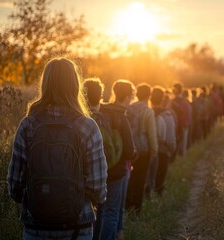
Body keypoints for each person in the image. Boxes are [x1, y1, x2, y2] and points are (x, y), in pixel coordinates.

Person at [8, 57, 107, 240]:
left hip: (36, 225)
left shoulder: (28, 125)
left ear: (44, 84)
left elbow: (14, 185)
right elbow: (98, 187)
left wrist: (41, 199)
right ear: (75, 85)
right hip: (78, 226)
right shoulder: (88, 126)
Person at [83, 79, 135, 240]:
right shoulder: (120, 116)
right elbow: (129, 150)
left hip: (93, 172)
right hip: (116, 172)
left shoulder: (84, 119)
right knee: (112, 211)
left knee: (97, 211)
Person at [126, 83, 158, 213]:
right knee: (140, 181)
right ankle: (136, 210)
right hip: (143, 151)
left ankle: (126, 207)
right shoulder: (148, 111)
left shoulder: (129, 108)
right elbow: (152, 134)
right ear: (149, 96)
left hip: (129, 150)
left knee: (130, 180)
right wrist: (153, 151)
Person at [151, 87, 177, 195]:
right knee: (160, 177)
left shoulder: (147, 113)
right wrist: (171, 148)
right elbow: (171, 139)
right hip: (163, 151)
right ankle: (158, 193)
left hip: (150, 153)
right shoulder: (168, 116)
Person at [171, 83, 190, 157]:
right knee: (180, 141)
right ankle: (178, 157)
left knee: (181, 141)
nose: (173, 90)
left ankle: (179, 158)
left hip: (180, 124)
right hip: (177, 124)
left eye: (174, 89)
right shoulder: (174, 100)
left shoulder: (181, 101)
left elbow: (186, 114)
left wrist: (185, 123)